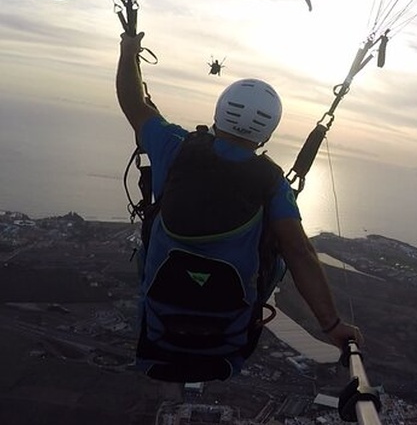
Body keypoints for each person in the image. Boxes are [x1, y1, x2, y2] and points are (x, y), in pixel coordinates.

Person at [116, 31, 361, 379]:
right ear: (268, 131)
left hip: (159, 327)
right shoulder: (271, 181)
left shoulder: (173, 146)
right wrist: (331, 325)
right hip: (227, 342)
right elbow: (299, 252)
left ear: (220, 112)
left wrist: (128, 52)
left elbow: (133, 103)